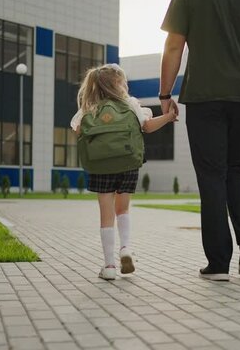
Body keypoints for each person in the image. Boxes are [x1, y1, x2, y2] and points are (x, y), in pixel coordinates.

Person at [159, 0, 240, 281]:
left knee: (212, 176)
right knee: (237, 168)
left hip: (204, 97)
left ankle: (218, 264)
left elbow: (174, 45)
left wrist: (165, 93)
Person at [71, 63, 178, 280]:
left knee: (106, 214)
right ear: (119, 84)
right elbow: (147, 126)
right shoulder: (130, 105)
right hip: (128, 164)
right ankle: (126, 248)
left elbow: (79, 130)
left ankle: (109, 266)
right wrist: (168, 117)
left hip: (101, 166)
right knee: (123, 209)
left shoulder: (89, 108)